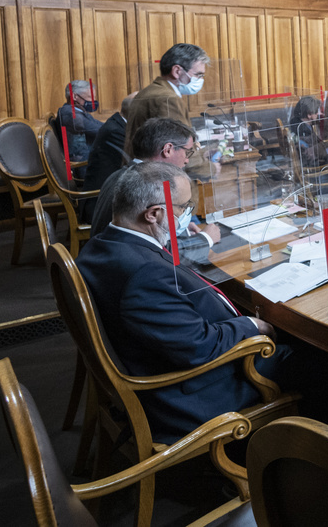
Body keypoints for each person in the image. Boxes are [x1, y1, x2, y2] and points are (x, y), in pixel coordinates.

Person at [76, 161, 279, 443]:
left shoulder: (101, 245)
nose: (187, 216)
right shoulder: (145, 274)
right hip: (192, 395)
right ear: (154, 214)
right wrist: (252, 325)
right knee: (312, 361)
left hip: (159, 362)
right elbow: (200, 347)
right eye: (183, 207)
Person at [89, 118, 218, 242]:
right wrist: (205, 239)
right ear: (167, 150)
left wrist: (178, 229)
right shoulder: (149, 187)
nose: (187, 160)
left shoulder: (121, 174)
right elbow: (163, 253)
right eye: (188, 152)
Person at [123, 43, 208, 167]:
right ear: (177, 71)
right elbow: (178, 151)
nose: (200, 80)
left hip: (142, 171)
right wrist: (208, 168)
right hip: (161, 177)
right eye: (197, 75)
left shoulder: (149, 91)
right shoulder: (168, 99)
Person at [83, 94, 136, 194]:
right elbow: (135, 161)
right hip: (101, 198)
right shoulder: (115, 131)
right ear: (135, 113)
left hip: (115, 188)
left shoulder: (118, 123)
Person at [55, 80, 104, 164]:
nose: (94, 101)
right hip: (84, 163)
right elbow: (101, 130)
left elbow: (101, 125)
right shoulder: (71, 115)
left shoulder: (78, 111)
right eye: (90, 97)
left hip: (91, 157)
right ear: (74, 96)